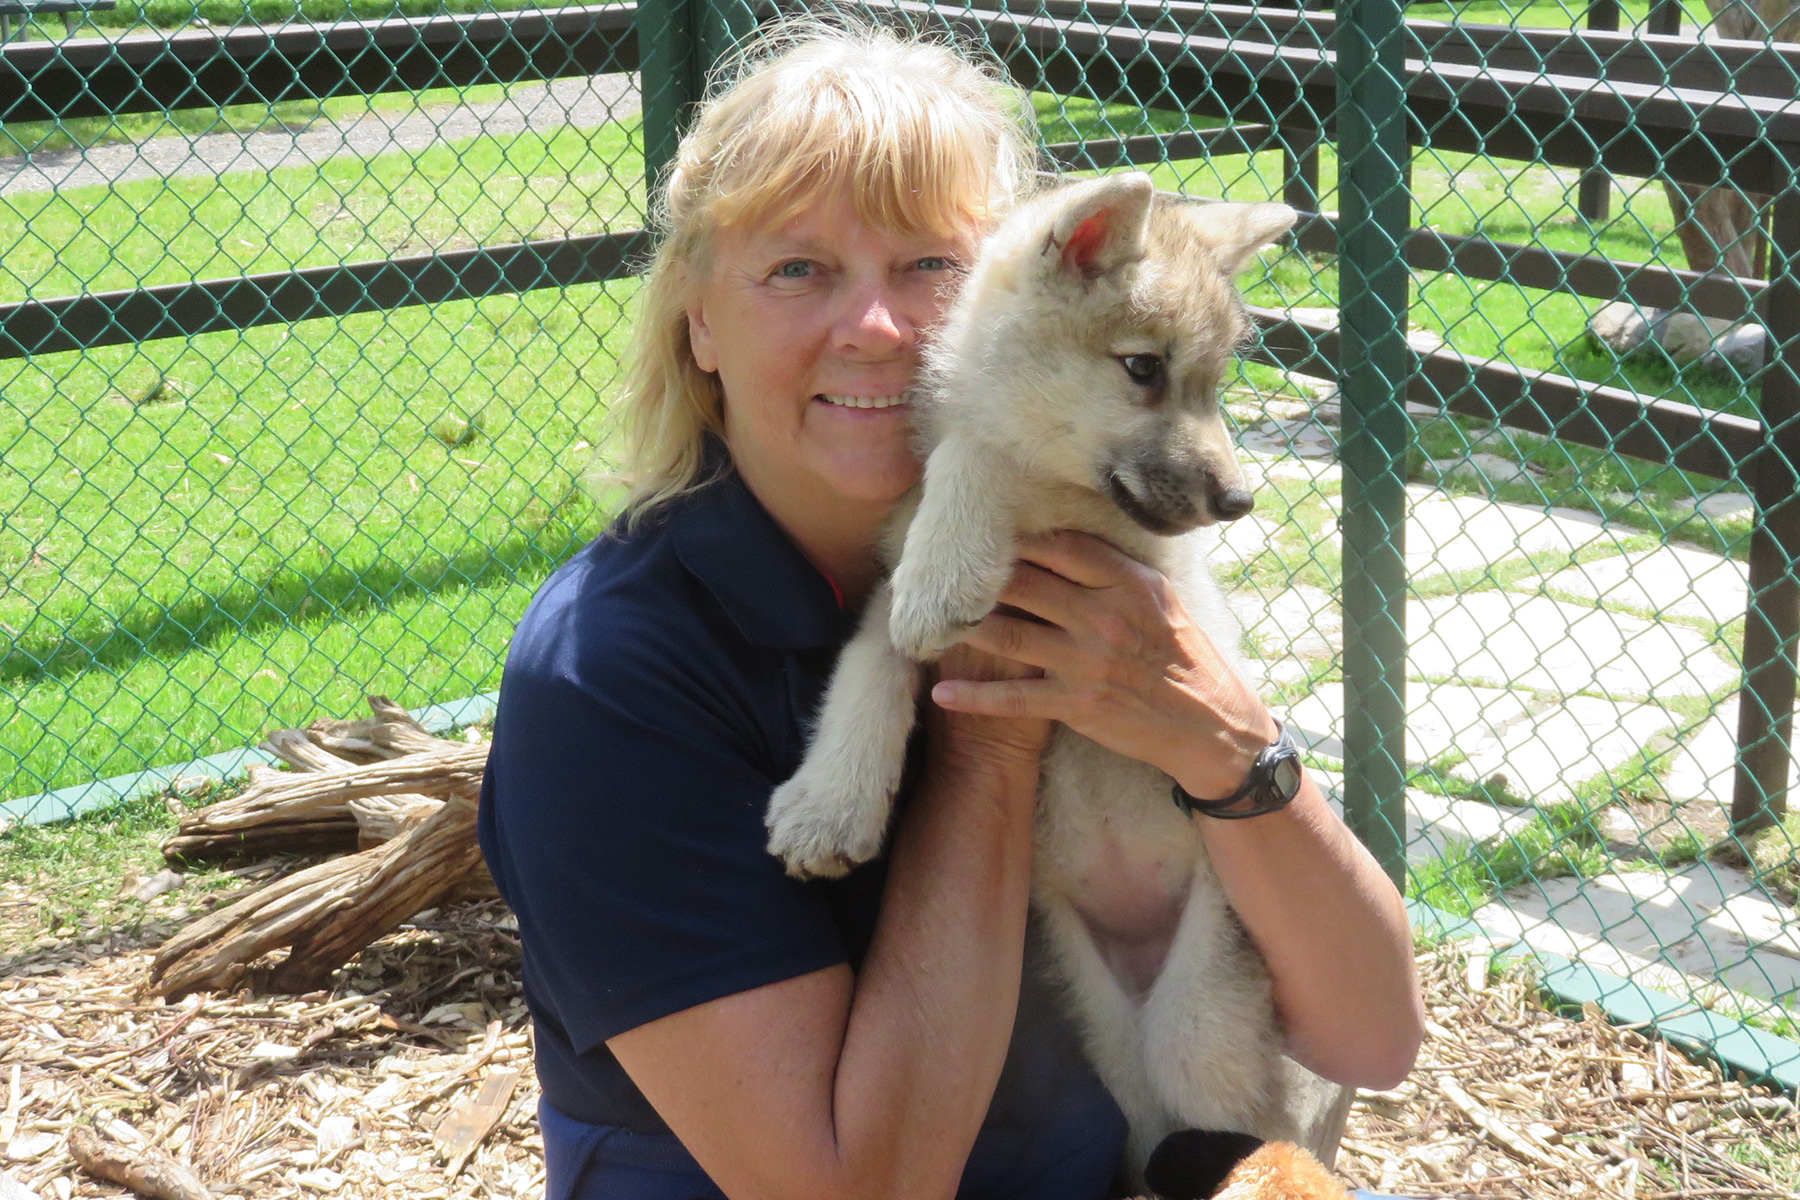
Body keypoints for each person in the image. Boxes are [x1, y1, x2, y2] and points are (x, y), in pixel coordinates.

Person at [476, 23, 1424, 1200]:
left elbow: (1377, 1043)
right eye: (796, 269)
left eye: (930, 267)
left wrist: (1225, 743)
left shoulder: (1088, 541)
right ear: (699, 321)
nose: (876, 327)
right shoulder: (611, 678)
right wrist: (996, 714)